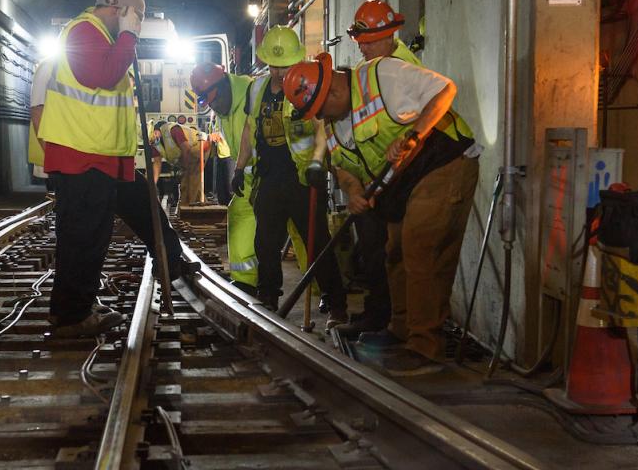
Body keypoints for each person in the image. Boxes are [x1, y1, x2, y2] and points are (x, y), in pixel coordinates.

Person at [282, 50, 479, 375]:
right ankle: (401, 332)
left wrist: (413, 135)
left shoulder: (382, 75)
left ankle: (426, 348)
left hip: (443, 162)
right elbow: (343, 167)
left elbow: (445, 90)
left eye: (320, 109)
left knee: (419, 248)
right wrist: (354, 190)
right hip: (402, 182)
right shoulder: (331, 124)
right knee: (395, 252)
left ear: (333, 91)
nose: (320, 118)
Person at [38, 0, 145, 338]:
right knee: (82, 237)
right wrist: (129, 37)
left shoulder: (96, 35)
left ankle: (78, 306)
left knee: (87, 237)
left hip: (92, 157)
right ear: (119, 9)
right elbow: (100, 75)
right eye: (136, 17)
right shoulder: (85, 30)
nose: (137, 25)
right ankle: (71, 315)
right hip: (81, 157)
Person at [233, 25, 348, 328]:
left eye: (284, 65)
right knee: (265, 243)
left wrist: (316, 163)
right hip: (269, 178)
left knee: (317, 243)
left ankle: (337, 304)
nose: (279, 72)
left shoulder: (306, 84)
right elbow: (249, 128)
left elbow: (323, 126)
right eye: (274, 65)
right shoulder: (256, 88)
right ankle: (268, 296)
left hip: (301, 179)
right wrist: (239, 166)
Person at [190, 63, 257, 294]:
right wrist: (239, 171)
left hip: (280, 174)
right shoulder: (224, 107)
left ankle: (326, 289)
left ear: (224, 84)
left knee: (301, 231)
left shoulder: (252, 93)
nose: (214, 107)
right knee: (238, 215)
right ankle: (246, 281)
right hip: (249, 177)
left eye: (213, 99)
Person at [150, 120, 210, 206]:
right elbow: (157, 164)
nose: (154, 136)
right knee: (187, 183)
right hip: (188, 154)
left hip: (199, 146)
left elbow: (187, 150)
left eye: (155, 133)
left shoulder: (173, 130)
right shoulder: (156, 143)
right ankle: (193, 207)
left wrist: (185, 168)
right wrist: (152, 184)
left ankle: (191, 209)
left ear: (159, 129)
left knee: (192, 180)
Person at [28, 58, 55, 190]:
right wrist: (50, 153)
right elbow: (37, 109)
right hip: (52, 151)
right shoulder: (49, 66)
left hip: (65, 154)